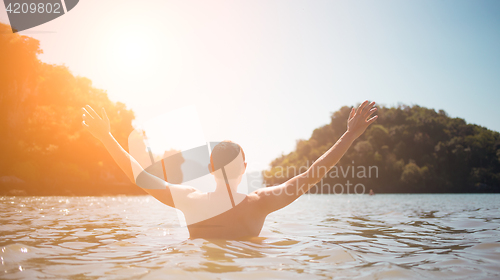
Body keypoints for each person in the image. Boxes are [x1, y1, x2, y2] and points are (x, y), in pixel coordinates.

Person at [82, 100, 377, 240]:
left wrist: (106, 137)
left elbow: (140, 175)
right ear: (245, 169)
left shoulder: (190, 200)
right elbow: (312, 174)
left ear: (210, 168)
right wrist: (349, 134)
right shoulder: (259, 203)